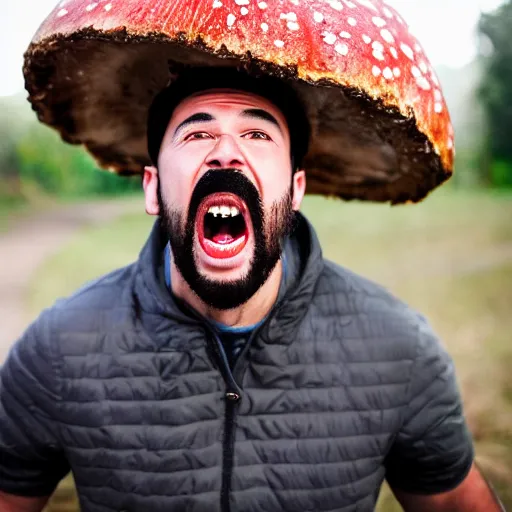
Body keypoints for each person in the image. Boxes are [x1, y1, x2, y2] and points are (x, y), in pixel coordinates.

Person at [0, 66, 505, 512]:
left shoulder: (401, 350)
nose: (227, 153)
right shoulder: (57, 349)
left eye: (258, 135)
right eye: (197, 136)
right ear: (152, 187)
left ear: (295, 190)